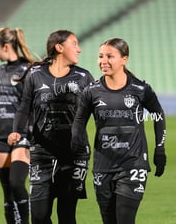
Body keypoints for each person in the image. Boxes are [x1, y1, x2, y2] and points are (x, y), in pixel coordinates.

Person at [71, 38, 167, 224]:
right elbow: (79, 120)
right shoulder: (92, 91)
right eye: (100, 56)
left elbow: (158, 115)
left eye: (109, 56)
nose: (103, 61)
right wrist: (76, 138)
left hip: (133, 165)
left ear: (124, 59)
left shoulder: (140, 89)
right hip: (103, 166)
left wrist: (160, 148)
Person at [10, 29, 94, 224]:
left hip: (73, 154)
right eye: (74, 44)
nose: (79, 49)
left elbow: (99, 109)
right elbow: (24, 107)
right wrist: (16, 130)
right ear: (59, 47)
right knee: (39, 216)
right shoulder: (35, 75)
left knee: (66, 215)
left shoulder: (84, 77)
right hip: (41, 152)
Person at [0, 27, 35, 223]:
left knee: (16, 183)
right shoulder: (0, 70)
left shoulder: (28, 69)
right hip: (0, 134)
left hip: (21, 134)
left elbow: (31, 104)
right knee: (7, 193)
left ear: (5, 46)